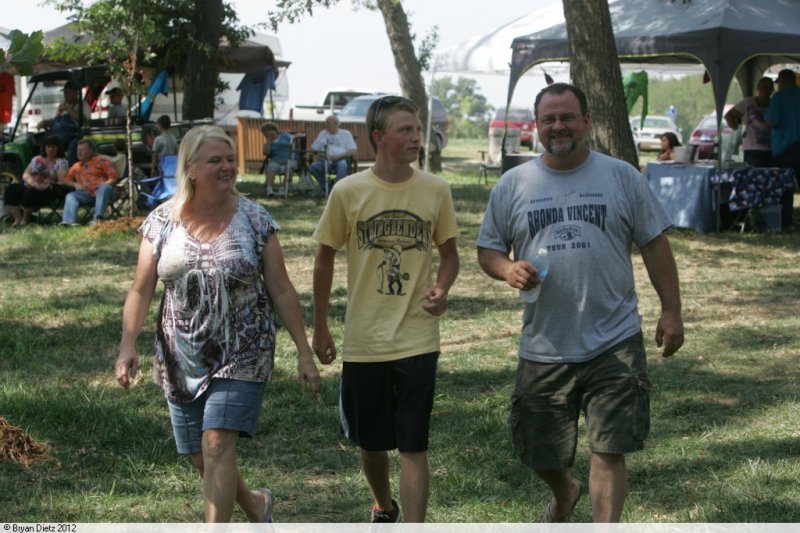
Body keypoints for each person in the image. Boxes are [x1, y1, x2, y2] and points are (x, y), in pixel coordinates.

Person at [476, 83, 684, 523]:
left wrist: (671, 310)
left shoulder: (621, 176)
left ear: (586, 121)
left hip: (615, 338)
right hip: (545, 341)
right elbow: (488, 250)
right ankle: (565, 490)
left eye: (567, 117)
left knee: (609, 448)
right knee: (538, 450)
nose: (559, 126)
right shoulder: (514, 184)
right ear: (537, 126)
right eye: (549, 119)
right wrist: (507, 269)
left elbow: (654, 244)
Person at [115, 125, 322, 523]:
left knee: (215, 445)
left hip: (244, 348)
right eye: (216, 161)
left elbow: (281, 288)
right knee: (200, 455)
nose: (227, 167)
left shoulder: (256, 220)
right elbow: (140, 290)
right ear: (191, 169)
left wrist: (304, 351)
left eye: (230, 159)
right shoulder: (161, 222)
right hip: (180, 354)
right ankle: (256, 505)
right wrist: (128, 344)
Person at [312, 96, 460, 523]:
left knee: (414, 445)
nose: (416, 137)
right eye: (405, 130)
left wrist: (442, 287)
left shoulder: (436, 190)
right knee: (371, 442)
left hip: (418, 337)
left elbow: (450, 256)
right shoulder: (348, 191)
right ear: (379, 137)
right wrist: (320, 326)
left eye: (417, 129)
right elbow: (323, 258)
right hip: (365, 340)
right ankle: (384, 505)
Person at [4, 136, 69, 227]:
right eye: (48, 146)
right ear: (45, 147)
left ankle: (25, 220)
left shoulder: (62, 162)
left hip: (50, 188)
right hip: (32, 184)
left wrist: (48, 178)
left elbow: (61, 181)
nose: (51, 149)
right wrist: (33, 183)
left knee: (31, 192)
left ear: (58, 149)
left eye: (53, 147)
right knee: (11, 189)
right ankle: (17, 219)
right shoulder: (36, 159)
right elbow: (25, 174)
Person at [764, 69, 800, 231]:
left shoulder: (778, 97)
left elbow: (772, 121)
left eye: (778, 83)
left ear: (783, 81)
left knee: (785, 187)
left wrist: (760, 123)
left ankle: (785, 222)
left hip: (784, 148)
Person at [60, 139, 119, 226]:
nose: (79, 153)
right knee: (71, 195)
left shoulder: (101, 161)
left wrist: (103, 185)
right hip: (88, 194)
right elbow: (66, 180)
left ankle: (97, 220)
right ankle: (68, 221)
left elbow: (114, 177)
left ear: (90, 151)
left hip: (106, 193)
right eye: (78, 150)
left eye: (82, 150)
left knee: (104, 187)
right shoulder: (76, 166)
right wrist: (75, 184)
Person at [37, 80, 91, 165]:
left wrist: (68, 110)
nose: (65, 95)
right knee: (46, 141)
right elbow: (55, 120)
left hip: (74, 135)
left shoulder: (83, 105)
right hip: (58, 135)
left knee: (73, 146)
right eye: (64, 92)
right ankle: (44, 166)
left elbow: (83, 120)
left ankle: (70, 168)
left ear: (76, 93)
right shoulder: (62, 105)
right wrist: (45, 122)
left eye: (68, 92)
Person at [725, 76, 774, 167]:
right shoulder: (748, 102)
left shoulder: (774, 104)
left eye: (770, 87)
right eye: (765, 86)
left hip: (772, 149)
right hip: (752, 149)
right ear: (758, 88)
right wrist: (736, 127)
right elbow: (729, 115)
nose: (768, 90)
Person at [308, 115, 357, 194]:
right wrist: (321, 154)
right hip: (324, 159)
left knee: (343, 166)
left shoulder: (346, 134)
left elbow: (353, 150)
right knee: (313, 167)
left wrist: (339, 156)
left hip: (340, 159)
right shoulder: (323, 134)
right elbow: (314, 148)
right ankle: (327, 187)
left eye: (328, 123)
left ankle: (338, 189)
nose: (326, 125)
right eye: (326, 123)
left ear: (336, 124)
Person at [261, 122, 296, 198]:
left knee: (290, 168)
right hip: (275, 160)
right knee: (271, 167)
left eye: (267, 132)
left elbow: (294, 139)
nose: (266, 134)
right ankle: (269, 189)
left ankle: (283, 189)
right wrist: (269, 140)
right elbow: (266, 153)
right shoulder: (267, 143)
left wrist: (298, 136)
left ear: (274, 130)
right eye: (265, 133)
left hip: (290, 159)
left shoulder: (285, 135)